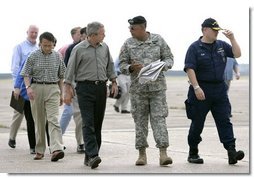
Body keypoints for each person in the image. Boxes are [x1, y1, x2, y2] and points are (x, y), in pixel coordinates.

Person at [184, 18, 244, 165]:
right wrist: (196, 87)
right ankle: (193, 152)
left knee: (224, 121)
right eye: (214, 30)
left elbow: (237, 54)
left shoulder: (222, 45)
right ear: (205, 30)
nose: (217, 33)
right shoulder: (195, 47)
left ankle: (231, 152)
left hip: (219, 89)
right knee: (197, 123)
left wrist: (232, 38)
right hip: (201, 90)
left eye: (218, 30)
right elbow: (190, 68)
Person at [119, 15, 174, 166]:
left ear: (143, 28)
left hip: (157, 89)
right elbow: (121, 65)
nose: (130, 30)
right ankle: (141, 154)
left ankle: (163, 153)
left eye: (133, 28)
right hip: (138, 90)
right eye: (130, 28)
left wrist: (162, 66)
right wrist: (130, 68)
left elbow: (169, 58)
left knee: (159, 120)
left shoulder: (158, 40)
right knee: (140, 122)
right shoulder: (128, 43)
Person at [63, 21, 118, 169]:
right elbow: (70, 69)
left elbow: (110, 65)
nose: (104, 35)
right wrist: (67, 89)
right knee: (88, 123)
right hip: (84, 88)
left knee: (97, 124)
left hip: (101, 88)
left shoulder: (104, 47)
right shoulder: (79, 49)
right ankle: (93, 155)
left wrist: (113, 82)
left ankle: (90, 156)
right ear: (92, 35)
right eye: (102, 33)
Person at [20, 32, 66, 162]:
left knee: (53, 119)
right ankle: (39, 150)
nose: (47, 48)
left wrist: (61, 94)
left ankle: (56, 149)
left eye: (50, 46)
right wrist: (28, 88)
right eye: (45, 45)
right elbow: (25, 74)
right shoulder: (33, 55)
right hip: (37, 89)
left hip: (53, 88)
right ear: (40, 43)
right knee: (39, 121)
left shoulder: (58, 56)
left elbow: (61, 76)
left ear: (53, 44)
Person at [8, 25, 39, 152]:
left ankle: (35, 142)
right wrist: (17, 87)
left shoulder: (38, 48)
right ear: (27, 32)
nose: (34, 34)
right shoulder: (19, 47)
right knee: (18, 112)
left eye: (36, 32)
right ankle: (12, 137)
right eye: (32, 32)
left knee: (32, 116)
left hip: (34, 86)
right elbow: (15, 68)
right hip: (20, 85)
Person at [60, 27, 87, 153]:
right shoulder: (72, 49)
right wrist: (67, 87)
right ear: (81, 36)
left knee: (89, 117)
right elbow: (66, 70)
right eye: (85, 36)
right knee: (77, 115)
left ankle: (88, 141)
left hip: (91, 86)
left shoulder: (100, 47)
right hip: (76, 85)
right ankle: (80, 142)